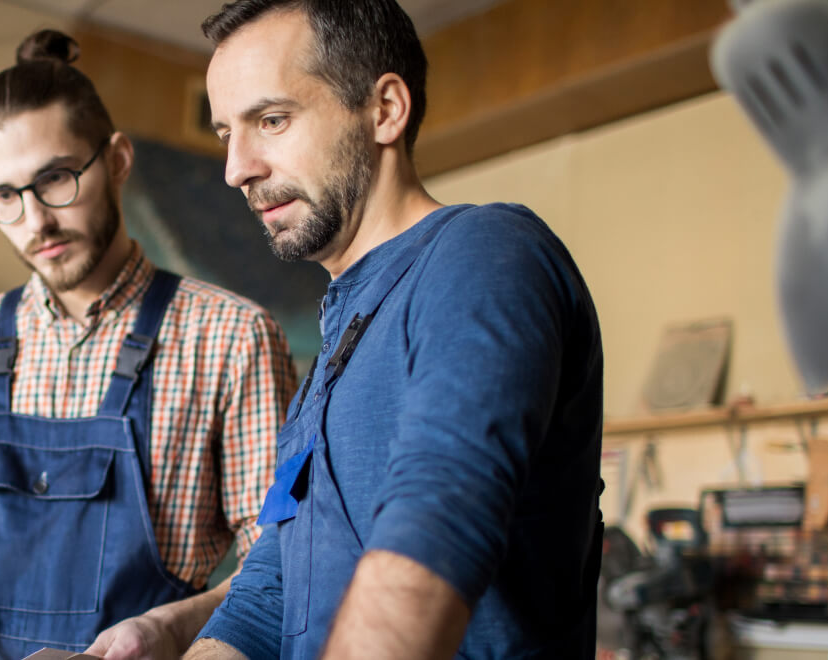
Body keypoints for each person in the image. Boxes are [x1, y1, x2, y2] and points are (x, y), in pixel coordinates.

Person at [0, 29, 298, 660]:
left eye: (57, 179)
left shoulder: (231, 339)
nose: (35, 220)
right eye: (4, 197)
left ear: (117, 159)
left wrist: (164, 630)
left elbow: (280, 565)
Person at [186, 1, 605, 659]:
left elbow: (434, 532)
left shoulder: (484, 254)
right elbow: (273, 592)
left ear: (384, 109)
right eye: (224, 134)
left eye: (271, 120)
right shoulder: (332, 354)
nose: (237, 168)